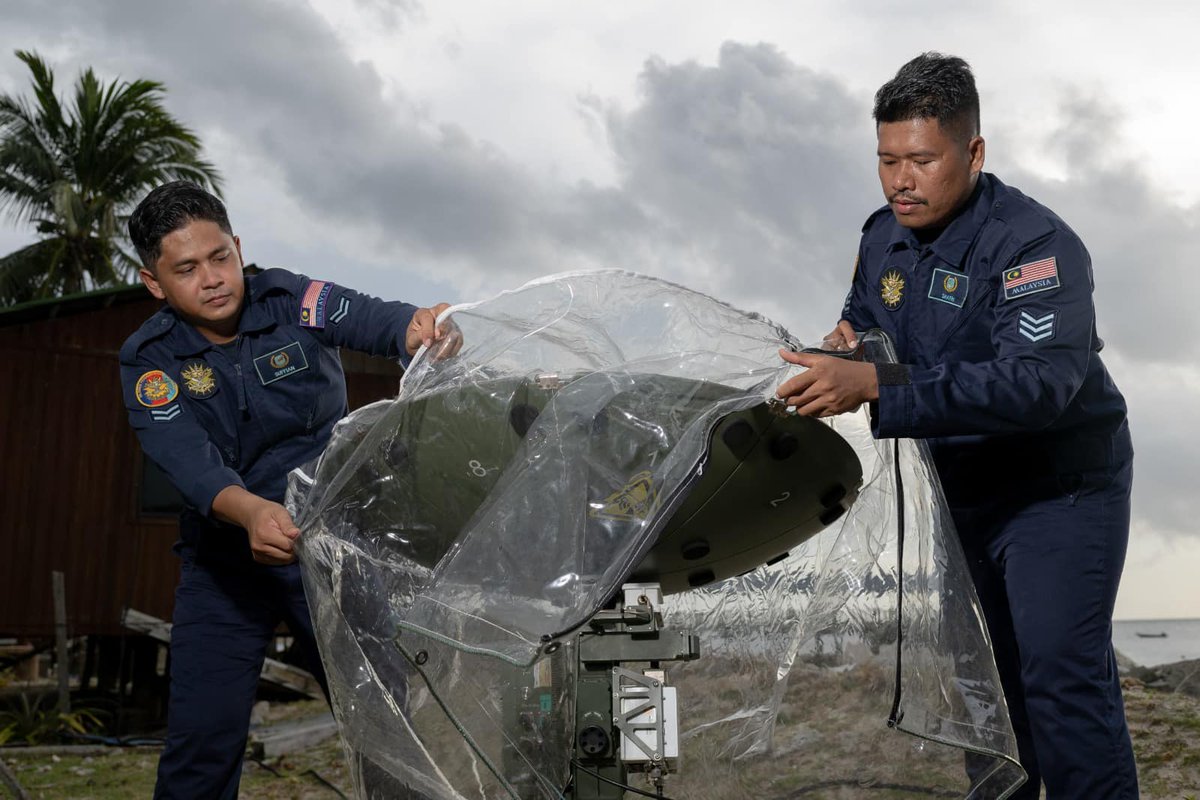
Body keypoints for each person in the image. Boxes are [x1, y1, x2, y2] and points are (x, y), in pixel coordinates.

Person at [775, 53, 1137, 798]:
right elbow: (868, 325)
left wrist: (875, 382)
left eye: (921, 160)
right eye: (885, 160)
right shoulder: (882, 237)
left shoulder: (1035, 245)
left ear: (973, 152)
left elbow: (1038, 386)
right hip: (960, 491)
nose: (901, 180)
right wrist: (844, 350)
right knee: (985, 699)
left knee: (1059, 684)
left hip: (1058, 491)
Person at [119, 181, 457, 799]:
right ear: (154, 283)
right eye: (187, 269)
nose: (213, 278)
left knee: (387, 730)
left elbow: (375, 318)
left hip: (334, 554)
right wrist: (248, 512)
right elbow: (188, 462)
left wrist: (418, 326)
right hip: (224, 570)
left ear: (238, 247)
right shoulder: (149, 362)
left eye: (221, 257)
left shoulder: (290, 299)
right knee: (201, 749)